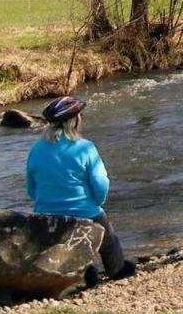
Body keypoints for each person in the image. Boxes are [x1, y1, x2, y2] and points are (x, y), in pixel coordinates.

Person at [26, 95, 136, 283]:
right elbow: (101, 183)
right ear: (74, 121)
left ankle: (85, 272)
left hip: (45, 215)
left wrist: (46, 202)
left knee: (64, 246)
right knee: (108, 240)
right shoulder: (85, 148)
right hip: (84, 211)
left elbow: (31, 188)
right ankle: (116, 270)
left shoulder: (36, 149)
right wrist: (98, 203)